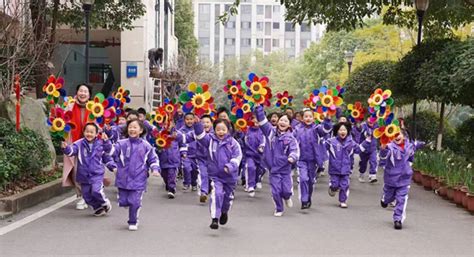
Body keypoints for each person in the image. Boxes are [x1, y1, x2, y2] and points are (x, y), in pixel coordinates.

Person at [109, 119, 161, 231]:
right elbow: (112, 152)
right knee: (123, 202)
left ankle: (133, 221)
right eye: (130, 127)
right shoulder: (121, 143)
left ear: (141, 130)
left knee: (135, 202)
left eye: (135, 127)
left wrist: (155, 169)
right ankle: (127, 203)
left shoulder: (146, 145)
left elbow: (153, 158)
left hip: (139, 178)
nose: (132, 129)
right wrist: (105, 143)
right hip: (123, 178)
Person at [193, 118, 242, 230]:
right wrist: (197, 124)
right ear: (214, 130)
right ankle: (215, 218)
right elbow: (200, 136)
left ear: (228, 130)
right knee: (217, 194)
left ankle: (224, 211)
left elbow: (237, 157)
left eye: (223, 129)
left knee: (227, 198)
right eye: (218, 129)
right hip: (216, 176)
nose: (221, 132)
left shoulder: (233, 143)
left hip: (230, 177)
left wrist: (229, 167)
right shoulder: (210, 140)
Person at [62, 123, 116, 216]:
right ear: (83, 132)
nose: (89, 134)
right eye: (87, 131)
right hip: (83, 175)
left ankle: (104, 202)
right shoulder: (79, 144)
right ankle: (98, 208)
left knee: (96, 191)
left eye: (92, 132)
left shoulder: (101, 143)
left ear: (96, 134)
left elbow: (108, 154)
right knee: (86, 196)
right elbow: (71, 151)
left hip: (97, 174)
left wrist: (113, 167)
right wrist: (66, 148)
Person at [255, 106, 299, 217]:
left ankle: (287, 197)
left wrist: (292, 157)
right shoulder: (270, 133)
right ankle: (279, 208)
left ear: (289, 124)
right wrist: (259, 108)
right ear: (277, 122)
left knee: (286, 191)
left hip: (285, 169)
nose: (283, 122)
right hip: (273, 169)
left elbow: (295, 150)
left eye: (286, 121)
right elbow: (263, 122)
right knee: (276, 191)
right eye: (281, 120)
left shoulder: (291, 138)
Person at [379, 130, 425, 230]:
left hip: (404, 178)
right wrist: (383, 148)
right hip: (391, 178)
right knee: (388, 197)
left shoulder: (409, 145)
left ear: (404, 136)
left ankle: (398, 219)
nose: (397, 136)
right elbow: (382, 156)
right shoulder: (389, 146)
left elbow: (416, 145)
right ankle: (385, 199)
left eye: (398, 134)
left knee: (401, 199)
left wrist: (423, 144)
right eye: (394, 135)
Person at [326, 121, 370, 208]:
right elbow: (321, 148)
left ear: (348, 131)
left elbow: (359, 149)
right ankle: (332, 187)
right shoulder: (331, 142)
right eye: (340, 130)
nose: (343, 132)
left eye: (344, 130)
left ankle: (343, 201)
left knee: (344, 185)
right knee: (335, 184)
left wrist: (367, 141)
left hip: (346, 169)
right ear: (337, 131)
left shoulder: (351, 142)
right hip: (334, 169)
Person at [62, 83, 92, 210]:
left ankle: (87, 196)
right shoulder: (69, 105)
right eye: (81, 90)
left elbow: (98, 124)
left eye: (85, 91)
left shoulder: (94, 107)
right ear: (77, 92)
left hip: (89, 144)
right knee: (75, 170)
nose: (83, 93)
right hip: (73, 143)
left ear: (89, 95)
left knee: (88, 171)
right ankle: (81, 195)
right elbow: (62, 121)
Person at [294, 109, 331, 209]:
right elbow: (292, 141)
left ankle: (308, 197)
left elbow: (326, 130)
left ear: (313, 118)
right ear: (302, 118)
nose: (308, 118)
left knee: (310, 181)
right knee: (303, 178)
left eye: (310, 116)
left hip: (313, 160)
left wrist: (327, 120)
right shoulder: (297, 129)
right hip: (301, 160)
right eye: (306, 116)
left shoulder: (316, 128)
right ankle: (304, 200)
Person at [244, 114, 265, 197]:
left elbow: (264, 140)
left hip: (260, 155)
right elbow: (244, 139)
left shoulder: (262, 131)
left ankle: (256, 181)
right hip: (250, 154)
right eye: (254, 122)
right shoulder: (247, 130)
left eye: (257, 122)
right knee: (250, 167)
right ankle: (250, 185)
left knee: (260, 170)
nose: (256, 124)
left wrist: (261, 147)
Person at [179, 113, 199, 191]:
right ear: (184, 120)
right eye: (187, 119)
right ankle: (186, 183)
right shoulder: (182, 130)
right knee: (187, 168)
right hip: (186, 154)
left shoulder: (197, 129)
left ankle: (194, 183)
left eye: (191, 119)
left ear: (194, 120)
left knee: (195, 169)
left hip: (196, 154)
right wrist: (183, 152)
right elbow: (181, 142)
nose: (189, 121)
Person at [359, 118, 379, 183]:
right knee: (363, 164)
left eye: (373, 119)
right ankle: (361, 174)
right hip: (364, 149)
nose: (371, 120)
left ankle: (372, 176)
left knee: (374, 161)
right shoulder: (364, 126)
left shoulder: (377, 127)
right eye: (370, 119)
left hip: (373, 149)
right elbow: (364, 132)